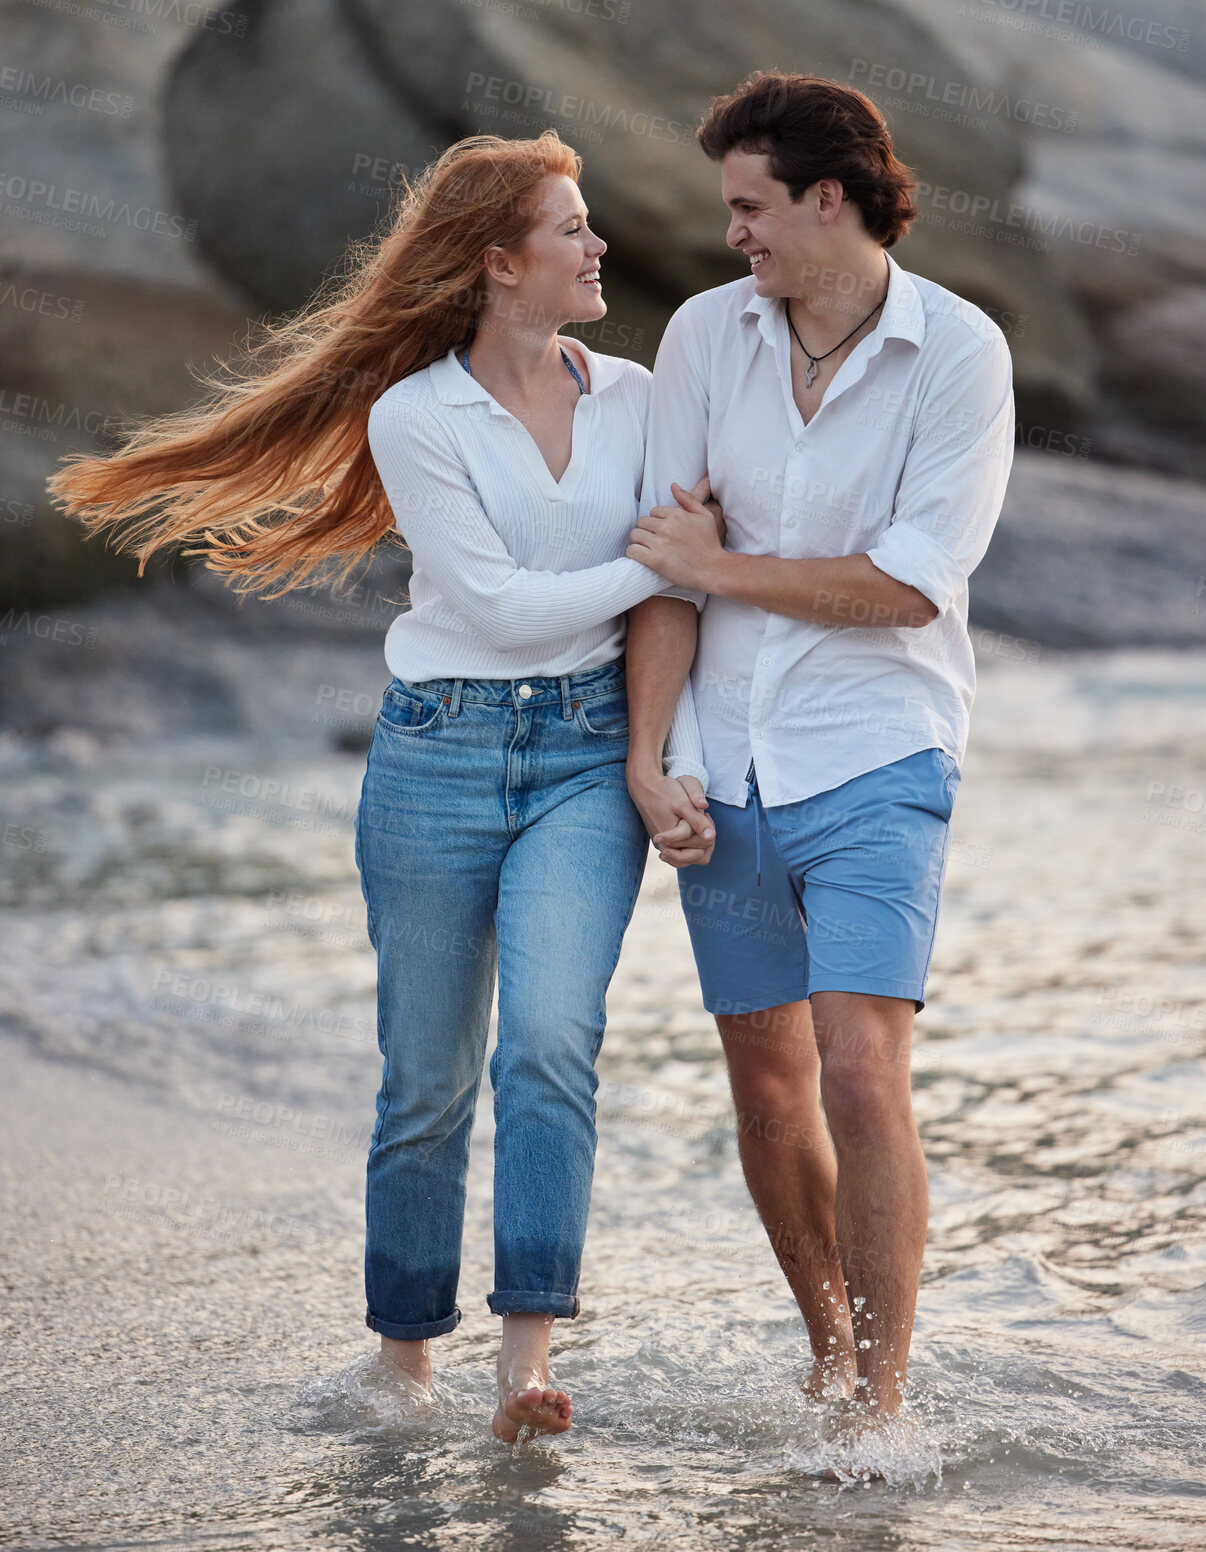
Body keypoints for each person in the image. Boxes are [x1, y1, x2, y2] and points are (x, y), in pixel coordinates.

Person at [45, 130, 718, 1444]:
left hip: (586, 759)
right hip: (437, 759)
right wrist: (662, 562)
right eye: (570, 229)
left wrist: (653, 753)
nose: (597, 247)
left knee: (549, 1046)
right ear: (498, 261)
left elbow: (674, 600)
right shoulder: (416, 417)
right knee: (426, 1078)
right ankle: (404, 1360)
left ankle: (527, 1365)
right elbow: (507, 611)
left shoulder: (642, 399)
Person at [623, 71, 1016, 1425]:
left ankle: (882, 1404)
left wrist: (729, 565)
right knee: (769, 1089)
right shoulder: (699, 338)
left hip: (880, 754)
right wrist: (647, 755)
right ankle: (832, 1348)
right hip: (723, 765)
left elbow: (911, 584)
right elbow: (666, 571)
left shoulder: (960, 354)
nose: (732, 231)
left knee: (859, 1063)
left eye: (750, 205)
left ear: (828, 197)